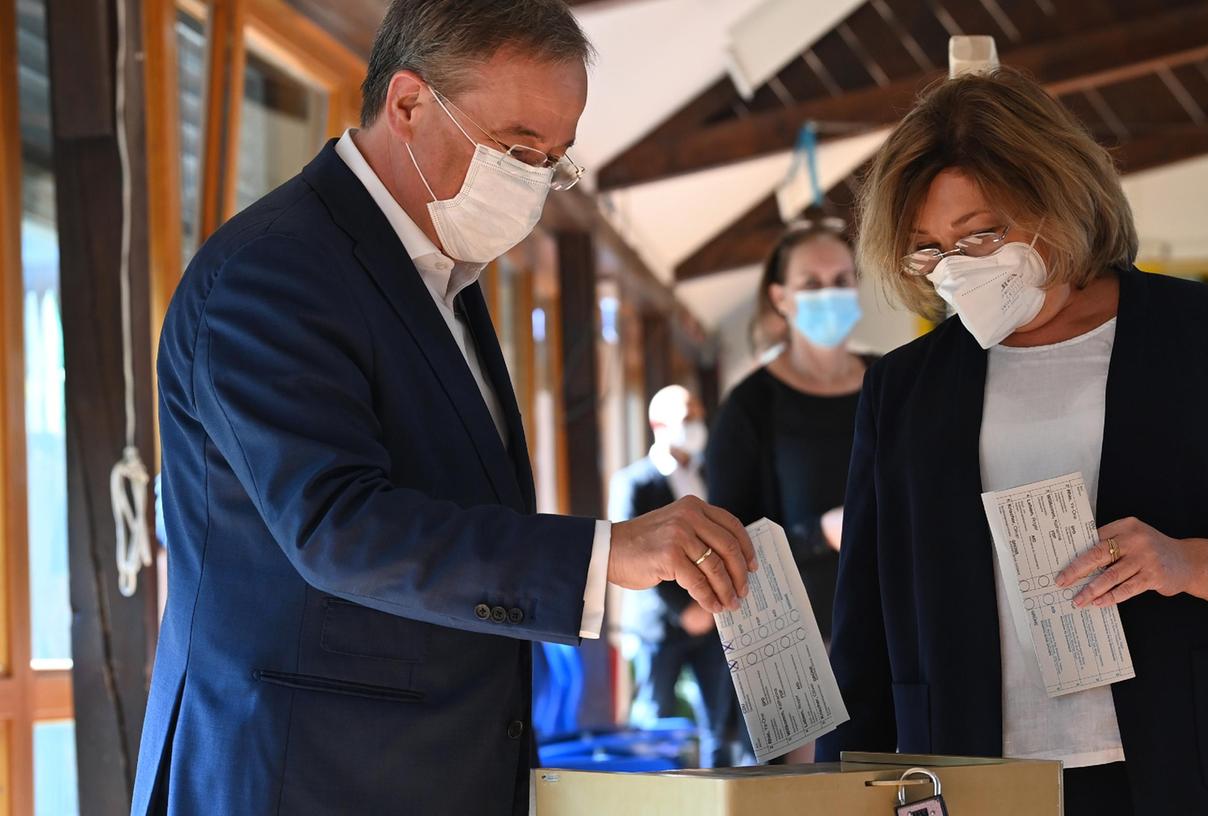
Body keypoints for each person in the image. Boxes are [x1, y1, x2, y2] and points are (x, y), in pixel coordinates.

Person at [132, 3, 758, 814]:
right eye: (518, 147)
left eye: (555, 159)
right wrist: (605, 556)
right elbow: (339, 525)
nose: (535, 178)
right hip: (300, 774)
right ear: (406, 105)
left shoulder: (441, 277)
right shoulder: (274, 271)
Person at [817, 68, 1208, 815]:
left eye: (980, 233)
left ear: (1056, 199)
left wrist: (1183, 561)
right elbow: (864, 624)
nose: (958, 267)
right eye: (929, 251)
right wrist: (850, 793)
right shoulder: (906, 387)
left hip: (1180, 764)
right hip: (971, 775)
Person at [706, 221, 867, 763]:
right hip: (795, 654)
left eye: (842, 279)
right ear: (780, 298)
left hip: (891, 634)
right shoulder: (750, 407)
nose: (830, 294)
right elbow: (726, 548)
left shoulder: (893, 386)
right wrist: (820, 534)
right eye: (812, 283)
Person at [609, 385, 740, 767]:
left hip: (712, 622)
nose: (697, 423)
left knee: (718, 725)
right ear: (658, 424)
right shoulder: (633, 482)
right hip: (660, 628)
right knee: (654, 723)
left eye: (700, 414)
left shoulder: (711, 472)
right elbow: (628, 557)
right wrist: (684, 611)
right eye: (688, 417)